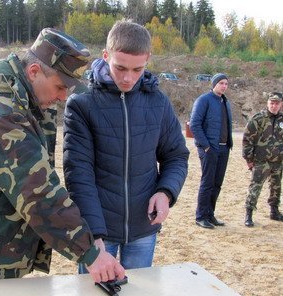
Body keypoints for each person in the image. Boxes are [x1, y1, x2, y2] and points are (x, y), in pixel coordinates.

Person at [0, 27, 125, 283]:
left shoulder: (22, 98)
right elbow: (37, 191)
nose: (62, 96)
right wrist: (90, 253)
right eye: (59, 86)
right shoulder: (0, 113)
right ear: (34, 72)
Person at [62, 19, 189, 271]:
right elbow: (79, 175)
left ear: (148, 59)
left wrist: (166, 192)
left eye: (137, 69)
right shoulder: (81, 104)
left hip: (144, 227)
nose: (128, 78)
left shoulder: (158, 103)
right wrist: (94, 234)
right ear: (106, 55)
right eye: (120, 68)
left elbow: (176, 156)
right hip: (99, 230)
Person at [190, 73, 233, 229]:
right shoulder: (204, 100)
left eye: (226, 84)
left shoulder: (225, 102)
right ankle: (201, 216)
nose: (224, 86)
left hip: (224, 148)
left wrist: (228, 144)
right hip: (209, 149)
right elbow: (194, 124)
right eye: (221, 83)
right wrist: (206, 146)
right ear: (214, 84)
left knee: (217, 183)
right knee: (207, 183)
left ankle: (210, 214)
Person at [242, 92, 283, 226]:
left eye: (277, 103)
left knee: (276, 187)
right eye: (272, 103)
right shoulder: (258, 119)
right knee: (255, 187)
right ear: (267, 103)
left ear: (281, 104)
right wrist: (249, 159)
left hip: (278, 161)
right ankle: (249, 214)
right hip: (261, 161)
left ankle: (274, 211)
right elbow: (247, 140)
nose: (274, 106)